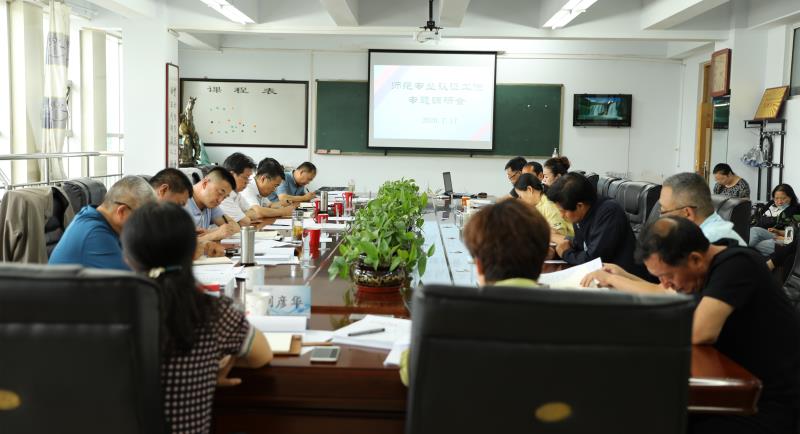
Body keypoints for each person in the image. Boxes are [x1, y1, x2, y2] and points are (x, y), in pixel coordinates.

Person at [635, 217, 800, 434]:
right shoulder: (705, 272)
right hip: (735, 391)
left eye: (667, 276)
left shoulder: (738, 264)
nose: (665, 285)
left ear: (695, 259)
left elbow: (699, 332)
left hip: (766, 405)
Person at [121, 202, 272, 434]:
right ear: (194, 252)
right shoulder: (215, 313)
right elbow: (262, 356)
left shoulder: (106, 312)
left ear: (127, 257)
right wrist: (206, 370)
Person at [399, 199, 550, 385]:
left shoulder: (447, 320)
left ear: (478, 266)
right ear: (543, 262)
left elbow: (412, 371)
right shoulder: (574, 316)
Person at [580, 172, 746, 291]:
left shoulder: (712, 240)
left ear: (687, 213)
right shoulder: (700, 231)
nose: (660, 218)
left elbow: (666, 294)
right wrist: (621, 274)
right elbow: (663, 288)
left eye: (664, 212)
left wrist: (613, 279)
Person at [49, 175, 156, 270]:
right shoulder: (93, 234)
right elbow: (135, 280)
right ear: (122, 212)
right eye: (144, 218)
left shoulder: (97, 218)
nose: (146, 227)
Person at [546, 172, 639, 274]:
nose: (561, 215)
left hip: (624, 278)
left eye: (563, 211)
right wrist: (554, 253)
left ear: (580, 206)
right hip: (602, 275)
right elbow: (581, 245)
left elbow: (594, 260)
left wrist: (566, 253)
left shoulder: (609, 212)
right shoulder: (582, 213)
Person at [185, 167, 240, 242]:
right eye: (220, 193)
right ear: (205, 183)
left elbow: (235, 226)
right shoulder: (181, 200)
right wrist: (213, 235)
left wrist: (210, 232)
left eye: (225, 197)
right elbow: (177, 244)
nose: (220, 200)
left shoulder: (210, 205)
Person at [514, 173, 573, 237]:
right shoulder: (538, 204)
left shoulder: (549, 205)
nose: (520, 200)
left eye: (520, 196)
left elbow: (560, 235)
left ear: (529, 189)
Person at [749, 183, 800, 256]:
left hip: (781, 239)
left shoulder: (795, 211)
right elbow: (758, 219)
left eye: (783, 198)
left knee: (760, 244)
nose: (779, 202)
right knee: (754, 230)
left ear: (790, 197)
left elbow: (791, 235)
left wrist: (778, 232)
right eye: (776, 198)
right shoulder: (771, 204)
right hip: (764, 233)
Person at [218, 152, 259, 226]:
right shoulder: (222, 196)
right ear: (231, 175)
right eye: (245, 177)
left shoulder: (236, 194)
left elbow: (255, 214)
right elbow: (244, 222)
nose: (247, 182)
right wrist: (243, 216)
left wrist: (242, 215)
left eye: (248, 178)